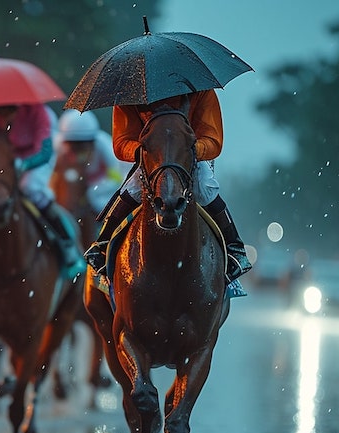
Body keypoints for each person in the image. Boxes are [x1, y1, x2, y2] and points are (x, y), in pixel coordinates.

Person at [83, 90, 252, 297]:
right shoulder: (130, 91)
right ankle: (102, 245)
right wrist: (143, 151)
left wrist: (192, 147)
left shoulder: (201, 88)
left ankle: (235, 249)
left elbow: (213, 139)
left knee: (206, 186)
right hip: (152, 159)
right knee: (133, 188)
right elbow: (121, 143)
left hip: (187, 157)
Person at [0, 103, 84, 277]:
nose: (4, 112)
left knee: (30, 189)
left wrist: (23, 164)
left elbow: (45, 150)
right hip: (1, 161)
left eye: (10, 109)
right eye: (0, 108)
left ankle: (67, 245)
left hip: (34, 159)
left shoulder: (40, 113)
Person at [53, 109, 130, 217]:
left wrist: (93, 190)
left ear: (93, 142)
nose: (78, 153)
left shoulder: (106, 146)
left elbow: (118, 179)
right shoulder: (57, 146)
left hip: (100, 187)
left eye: (83, 147)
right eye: (74, 146)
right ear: (65, 142)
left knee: (99, 203)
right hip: (71, 186)